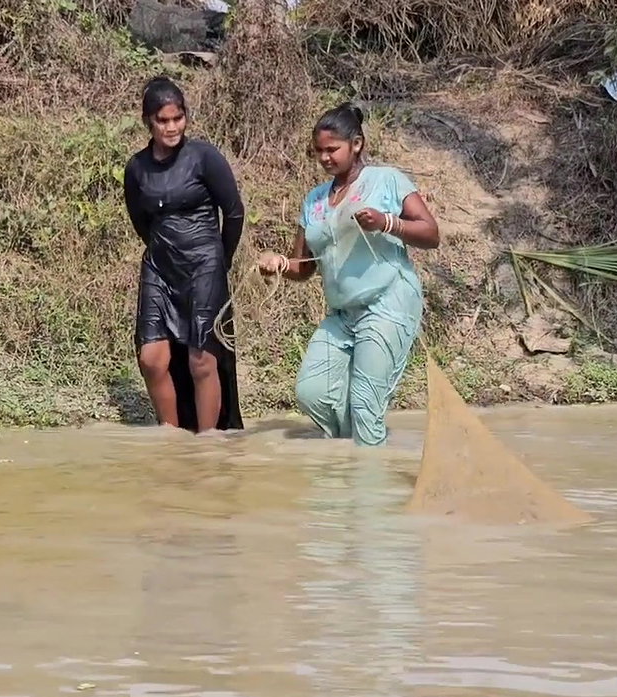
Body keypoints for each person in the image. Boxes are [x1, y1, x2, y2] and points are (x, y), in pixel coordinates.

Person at [258, 102, 440, 446]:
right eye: (318, 151)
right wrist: (279, 263)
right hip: (343, 314)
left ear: (356, 144)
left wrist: (386, 222)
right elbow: (304, 268)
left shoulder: (386, 180)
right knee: (312, 392)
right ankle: (357, 456)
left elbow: (431, 234)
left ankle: (367, 478)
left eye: (332, 149)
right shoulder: (313, 201)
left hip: (388, 304)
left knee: (365, 403)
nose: (325, 158)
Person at [122, 76, 246, 434]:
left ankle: (206, 443)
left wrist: (220, 261)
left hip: (205, 264)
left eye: (178, 118)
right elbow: (140, 221)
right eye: (163, 120)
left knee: (201, 360)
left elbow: (234, 211)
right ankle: (171, 437)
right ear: (148, 121)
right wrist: (164, 250)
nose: (172, 127)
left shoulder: (204, 157)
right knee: (152, 359)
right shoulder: (137, 168)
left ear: (186, 117)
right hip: (159, 268)